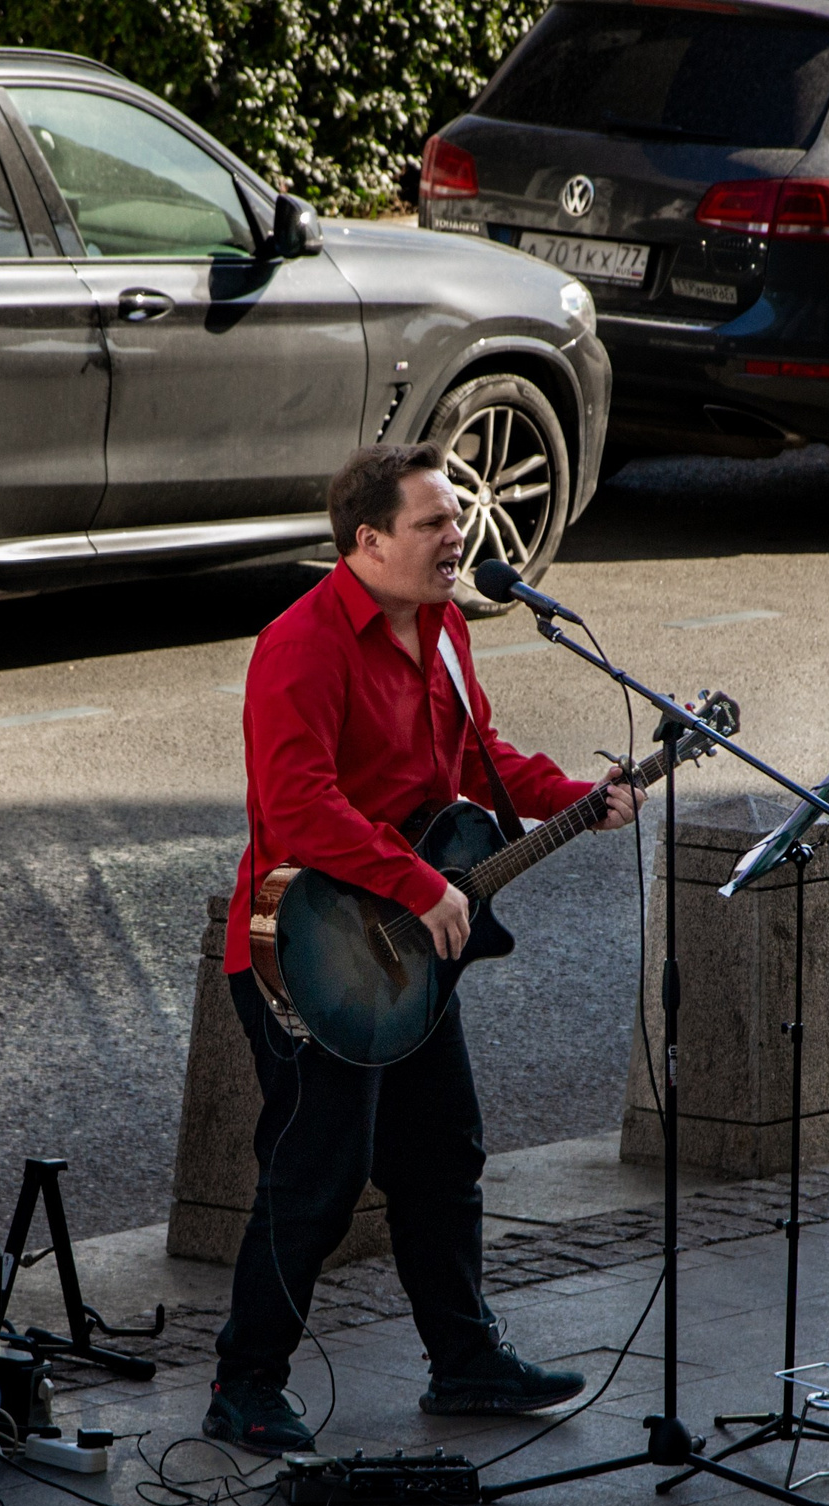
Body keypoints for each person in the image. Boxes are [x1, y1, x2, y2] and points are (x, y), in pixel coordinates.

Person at [208, 442, 644, 1452]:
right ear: (368, 541)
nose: (459, 537)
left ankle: (465, 1361)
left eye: (457, 519)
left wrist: (575, 798)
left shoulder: (445, 629)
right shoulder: (300, 645)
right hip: (311, 950)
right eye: (434, 523)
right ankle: (243, 1382)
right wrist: (416, 882)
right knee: (317, 1173)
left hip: (407, 954)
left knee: (443, 1152)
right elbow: (298, 806)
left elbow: (479, 762)